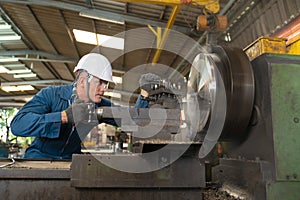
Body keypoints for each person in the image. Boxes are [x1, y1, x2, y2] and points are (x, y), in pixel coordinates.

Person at [10, 53, 159, 159]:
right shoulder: (51, 95)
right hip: (38, 160)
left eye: (106, 84)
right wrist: (62, 117)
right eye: (100, 82)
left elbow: (132, 120)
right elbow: (18, 125)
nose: (104, 88)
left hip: (70, 162)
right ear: (82, 80)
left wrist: (145, 94)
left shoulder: (99, 106)